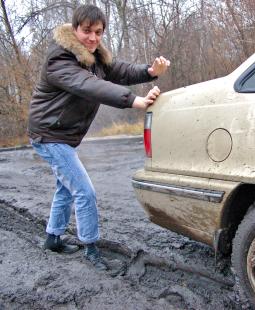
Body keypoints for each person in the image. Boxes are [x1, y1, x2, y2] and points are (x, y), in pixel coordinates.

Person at [27, 4, 170, 270]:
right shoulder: (60, 60)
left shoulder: (96, 57)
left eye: (98, 32)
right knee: (84, 191)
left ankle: (52, 238)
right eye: (87, 31)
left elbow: (121, 70)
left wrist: (149, 71)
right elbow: (90, 86)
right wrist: (134, 100)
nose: (93, 38)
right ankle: (91, 249)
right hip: (48, 134)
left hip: (64, 136)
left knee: (66, 187)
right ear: (74, 29)